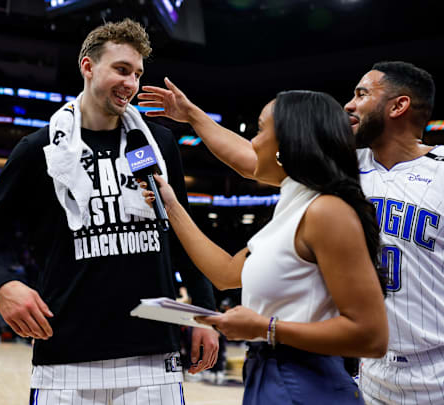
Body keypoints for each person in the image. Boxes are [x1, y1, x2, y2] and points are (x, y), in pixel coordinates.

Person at [136, 61, 444, 404]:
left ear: (398, 105)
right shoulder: (339, 173)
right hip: (371, 378)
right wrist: (193, 116)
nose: (348, 105)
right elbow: (253, 159)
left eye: (361, 94)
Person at [0, 18, 218, 405]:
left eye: (137, 73)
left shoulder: (158, 143)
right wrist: (3, 286)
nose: (131, 82)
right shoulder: (39, 149)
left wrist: (204, 312)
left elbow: (183, 235)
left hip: (152, 359)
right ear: (88, 66)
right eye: (121, 69)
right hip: (65, 361)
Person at [141, 90, 388, 404]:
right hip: (268, 372)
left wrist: (264, 327)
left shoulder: (327, 211)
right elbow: (226, 273)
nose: (253, 142)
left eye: (259, 131)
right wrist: (172, 206)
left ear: (289, 142)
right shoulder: (292, 202)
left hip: (305, 378)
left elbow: (371, 336)